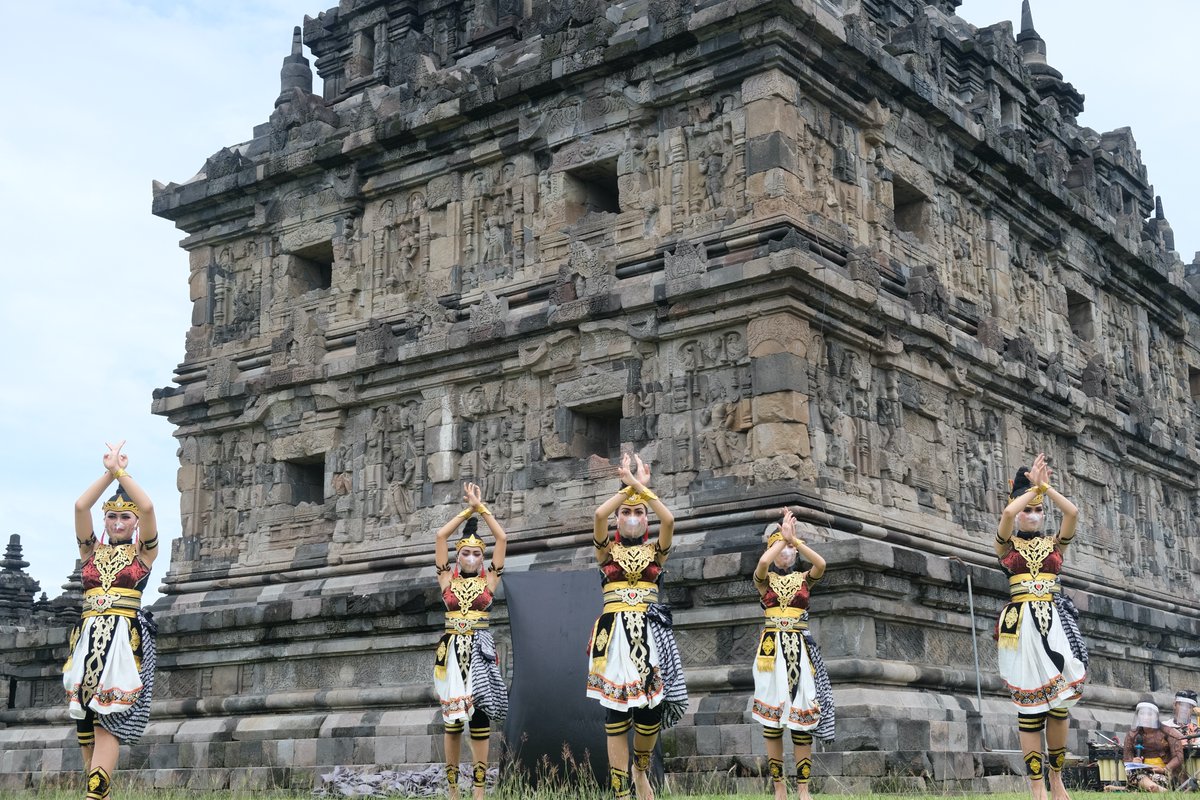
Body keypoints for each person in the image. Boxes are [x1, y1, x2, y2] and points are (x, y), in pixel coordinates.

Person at [587, 453, 688, 800]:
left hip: (648, 632)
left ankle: (640, 768)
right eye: (626, 512)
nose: (632, 516)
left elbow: (670, 519)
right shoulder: (607, 551)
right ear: (618, 519)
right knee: (616, 713)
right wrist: (630, 487)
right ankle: (620, 794)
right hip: (614, 632)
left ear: (646, 519)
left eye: (638, 512)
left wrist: (642, 489)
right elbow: (599, 514)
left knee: (650, 714)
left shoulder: (655, 552)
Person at [63, 441, 160, 800]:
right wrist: (108, 472)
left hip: (122, 639)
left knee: (108, 721)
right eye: (112, 516)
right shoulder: (91, 551)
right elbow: (79, 506)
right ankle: (97, 793)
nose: (118, 522)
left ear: (135, 524)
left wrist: (122, 472)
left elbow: (148, 505)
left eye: (125, 517)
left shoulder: (144, 553)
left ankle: (94, 797)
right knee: (84, 723)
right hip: (87, 637)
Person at [994, 453, 1087, 800]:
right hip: (1022, 629)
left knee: (1060, 705)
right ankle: (1036, 787)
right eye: (1027, 509)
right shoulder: (1006, 545)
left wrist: (1044, 488)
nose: (1032, 514)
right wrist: (1030, 490)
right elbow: (1006, 515)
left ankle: (1056, 776)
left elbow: (1073, 513)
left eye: (1038, 510)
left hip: (1054, 623)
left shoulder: (1055, 544)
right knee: (1029, 706)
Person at [751, 510, 835, 800]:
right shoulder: (764, 580)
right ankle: (778, 787)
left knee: (801, 720)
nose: (785, 551)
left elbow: (821, 564)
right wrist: (779, 539)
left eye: (788, 548)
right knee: (772, 721)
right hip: (771, 654)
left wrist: (794, 541)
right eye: (781, 548)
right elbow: (763, 563)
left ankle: (803, 788)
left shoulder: (803, 579)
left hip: (799, 652)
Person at [434, 482, 508, 800]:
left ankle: (479, 789)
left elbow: (502, 538)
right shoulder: (446, 578)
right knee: (452, 722)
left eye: (477, 553)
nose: (471, 557)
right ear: (457, 555)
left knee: (479, 718)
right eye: (465, 552)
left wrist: (483, 510)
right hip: (452, 652)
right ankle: (452, 789)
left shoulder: (489, 579)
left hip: (479, 650)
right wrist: (468, 511)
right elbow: (440, 537)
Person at [1123, 702, 1184, 792]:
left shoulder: (1169, 732)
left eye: (1149, 714)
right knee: (1132, 773)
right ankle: (1155, 788)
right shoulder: (1132, 734)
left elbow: (1179, 757)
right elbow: (1126, 760)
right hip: (1141, 772)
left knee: (1153, 777)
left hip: (1165, 774)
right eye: (1142, 714)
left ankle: (1149, 787)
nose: (1145, 717)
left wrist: (1165, 769)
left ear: (1156, 716)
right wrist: (1133, 761)